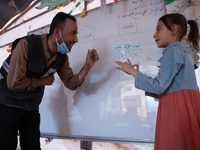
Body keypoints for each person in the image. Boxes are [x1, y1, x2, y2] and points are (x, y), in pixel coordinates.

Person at [0, 12, 99, 150]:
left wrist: (87, 66)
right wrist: (43, 81)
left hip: (31, 106)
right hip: (7, 103)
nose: (76, 39)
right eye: (73, 33)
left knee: (33, 147)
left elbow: (71, 83)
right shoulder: (26, 45)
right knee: (5, 146)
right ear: (57, 33)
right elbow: (14, 83)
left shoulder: (61, 57)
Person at [115, 13, 200, 150]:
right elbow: (165, 88)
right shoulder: (179, 50)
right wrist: (137, 75)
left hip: (178, 107)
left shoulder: (173, 50)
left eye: (159, 29)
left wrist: (133, 72)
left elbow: (159, 86)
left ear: (173, 29)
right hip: (182, 104)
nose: (154, 35)